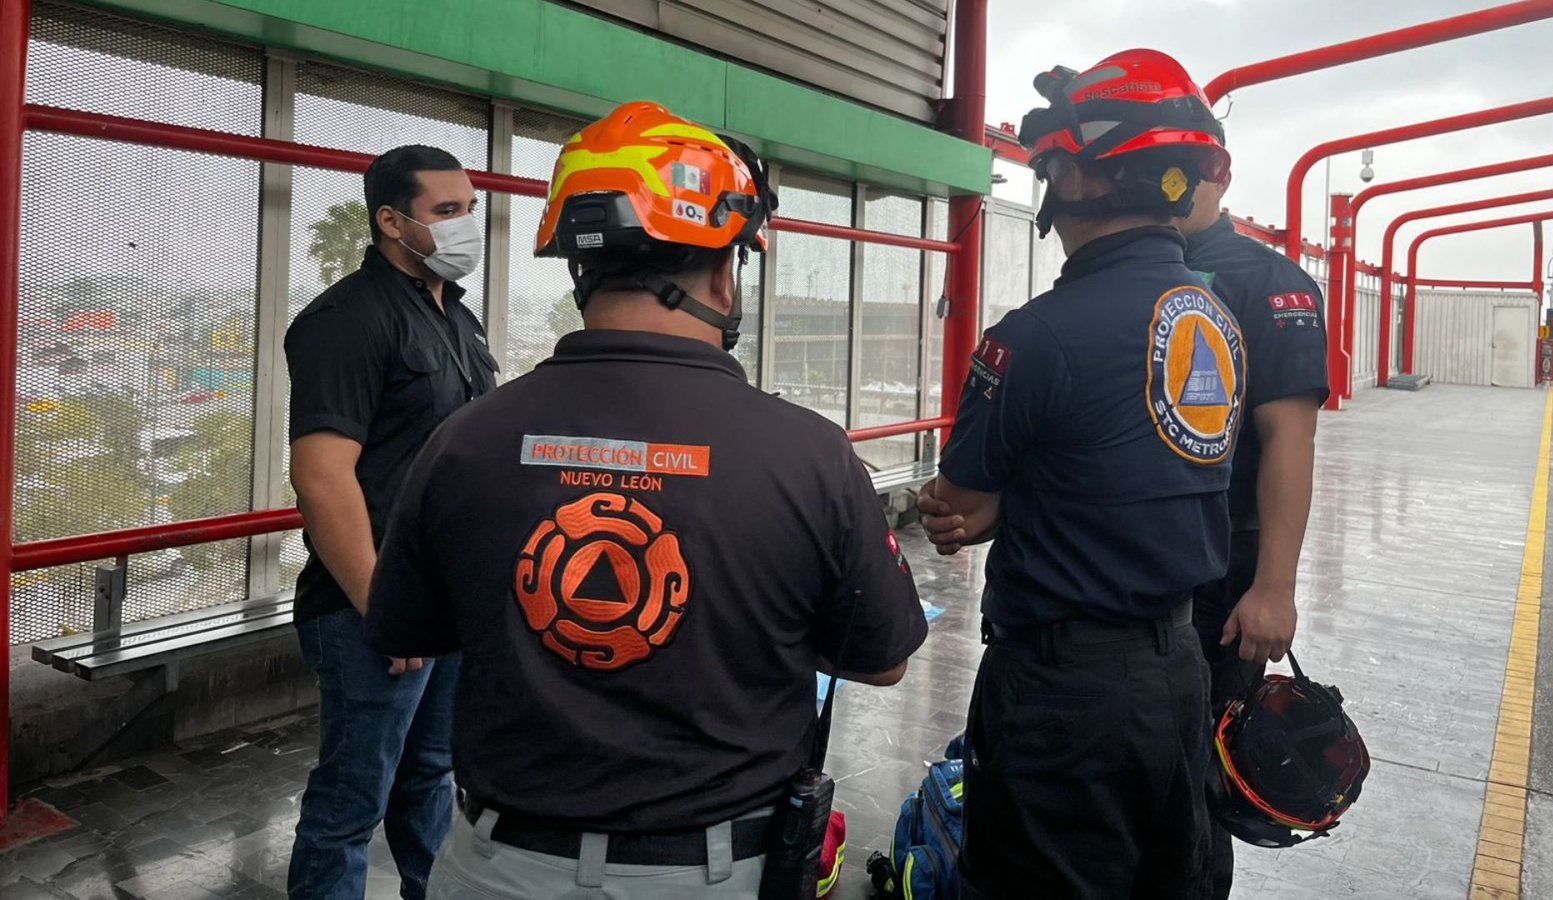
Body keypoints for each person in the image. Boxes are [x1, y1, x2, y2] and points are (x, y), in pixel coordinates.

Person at [363, 101, 928, 899]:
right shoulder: (808, 454)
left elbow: (406, 625)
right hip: (712, 875)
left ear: (576, 266)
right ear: (726, 271)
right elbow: (884, 659)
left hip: (494, 868)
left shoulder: (466, 439)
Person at [918, 50, 1243, 898]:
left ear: (1083, 180)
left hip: (1062, 693)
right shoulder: (1217, 323)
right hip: (1178, 670)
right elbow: (1131, 471)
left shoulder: (1033, 337)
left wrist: (1003, 506)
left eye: (1052, 165)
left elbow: (956, 507)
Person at [284, 144, 500, 900]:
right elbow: (320, 477)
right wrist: (386, 609)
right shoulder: (345, 321)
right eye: (447, 212)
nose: (466, 226)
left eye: (470, 210)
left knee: (431, 781)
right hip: (369, 612)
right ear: (391, 221)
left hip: (446, 607)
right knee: (350, 807)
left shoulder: (459, 321)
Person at [1178, 138, 1329, 900]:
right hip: (1131, 570)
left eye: (1181, 170)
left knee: (1199, 771)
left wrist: (1274, 586)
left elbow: (1289, 440)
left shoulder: (1271, 285)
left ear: (1220, 176)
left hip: (1220, 575)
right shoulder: (1130, 273)